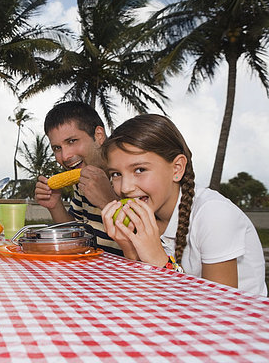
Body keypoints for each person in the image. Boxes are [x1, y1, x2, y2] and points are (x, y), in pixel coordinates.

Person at [100, 114, 267, 296]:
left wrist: (159, 260)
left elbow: (219, 306)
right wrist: (131, 251)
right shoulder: (145, 217)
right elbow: (147, 295)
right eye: (116, 174)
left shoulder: (214, 215)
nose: (125, 187)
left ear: (177, 168)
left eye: (140, 170)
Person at [34, 101, 122, 255]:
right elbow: (75, 235)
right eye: (57, 148)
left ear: (98, 135)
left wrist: (108, 201)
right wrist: (55, 206)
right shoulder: (82, 175)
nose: (65, 156)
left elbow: (148, 239)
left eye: (72, 141)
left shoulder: (127, 173)